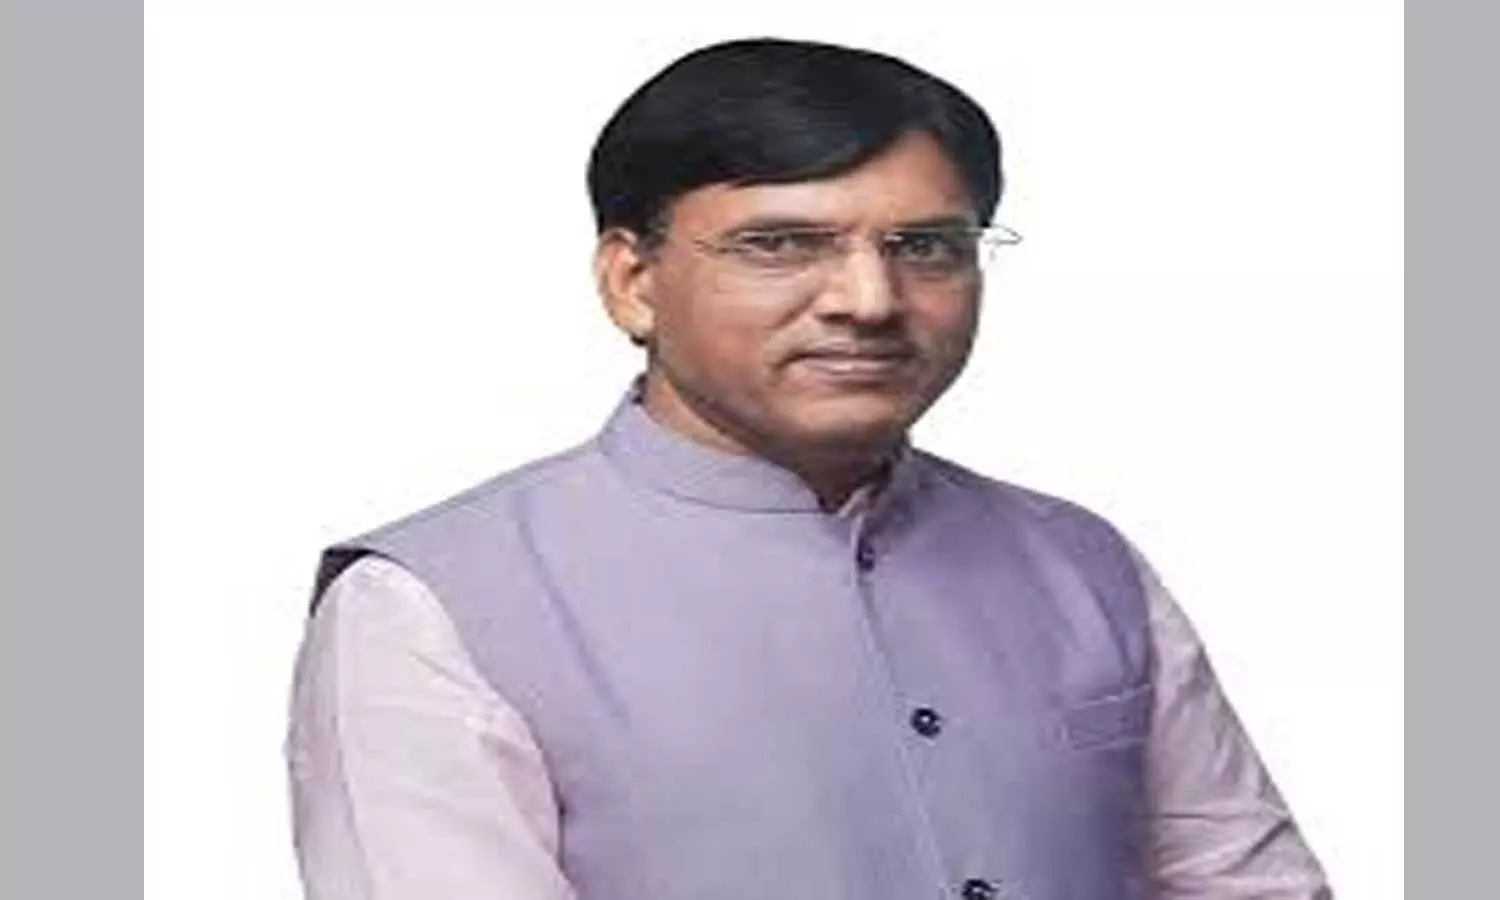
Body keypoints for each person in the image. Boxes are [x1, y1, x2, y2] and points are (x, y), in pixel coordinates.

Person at [284, 37, 1332, 900]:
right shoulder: (435, 606)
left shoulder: (1081, 563)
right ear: (633, 280)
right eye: (781, 244)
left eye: (926, 247)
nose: (869, 301)